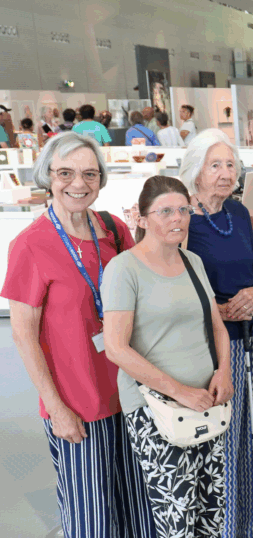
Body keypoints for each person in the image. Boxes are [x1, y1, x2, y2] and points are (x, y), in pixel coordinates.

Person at [2, 132, 156, 537]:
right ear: (47, 176)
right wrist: (56, 409)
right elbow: (23, 336)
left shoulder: (113, 229)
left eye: (90, 173)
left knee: (138, 504)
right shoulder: (30, 245)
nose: (78, 183)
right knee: (91, 514)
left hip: (128, 393)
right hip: (77, 403)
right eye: (66, 173)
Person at [101, 175, 233, 537]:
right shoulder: (123, 269)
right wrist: (180, 391)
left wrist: (225, 371)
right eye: (165, 212)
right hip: (155, 408)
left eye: (183, 210)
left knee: (211, 506)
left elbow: (216, 325)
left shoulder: (193, 261)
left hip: (207, 400)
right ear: (141, 219)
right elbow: (116, 348)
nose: (177, 218)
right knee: (177, 512)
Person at [180, 129, 253, 537]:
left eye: (230, 164)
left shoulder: (239, 213)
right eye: (214, 164)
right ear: (196, 170)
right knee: (225, 434)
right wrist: (216, 310)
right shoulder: (181, 216)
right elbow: (174, 281)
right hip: (216, 344)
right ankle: (228, 526)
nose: (224, 172)